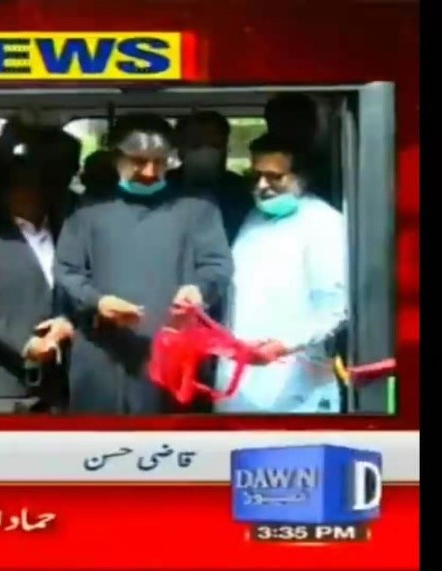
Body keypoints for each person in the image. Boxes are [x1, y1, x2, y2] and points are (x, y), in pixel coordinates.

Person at [43, 114, 233, 414]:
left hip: (172, 354)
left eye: (159, 162)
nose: (150, 172)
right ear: (116, 158)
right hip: (101, 356)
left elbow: (217, 265)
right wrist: (97, 301)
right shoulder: (89, 209)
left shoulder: (197, 208)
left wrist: (199, 289)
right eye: (138, 161)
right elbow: (66, 270)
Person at [214, 135, 347, 413]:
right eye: (256, 176)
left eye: (274, 177)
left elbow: (334, 308)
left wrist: (283, 345)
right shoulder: (255, 218)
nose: (262, 186)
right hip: (240, 379)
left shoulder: (323, 223)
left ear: (302, 177)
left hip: (296, 382)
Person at [0, 158, 73, 413]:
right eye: (20, 186)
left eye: (38, 185)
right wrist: (26, 344)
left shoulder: (68, 234)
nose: (30, 193)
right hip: (8, 385)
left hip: (62, 384)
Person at [171, 111, 250, 243]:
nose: (206, 153)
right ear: (180, 149)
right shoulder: (161, 188)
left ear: (226, 148)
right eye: (196, 146)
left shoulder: (241, 191)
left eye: (215, 146)